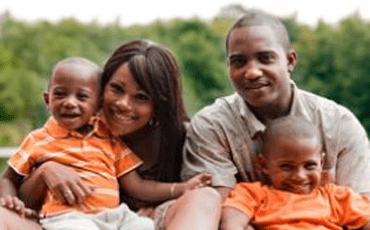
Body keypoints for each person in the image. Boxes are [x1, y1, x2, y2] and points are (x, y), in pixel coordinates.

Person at [174, 9, 370, 230]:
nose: (252, 72)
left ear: (290, 61)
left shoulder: (339, 124)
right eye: (239, 62)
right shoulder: (211, 127)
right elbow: (218, 213)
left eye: (265, 58)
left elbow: (361, 212)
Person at [0, 51, 211, 230]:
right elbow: (9, 178)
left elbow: (137, 186)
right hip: (68, 218)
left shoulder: (107, 140)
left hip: (112, 216)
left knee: (141, 226)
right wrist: (11, 200)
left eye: (81, 97)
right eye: (60, 94)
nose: (70, 103)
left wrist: (181, 189)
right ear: (47, 100)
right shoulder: (39, 140)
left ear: (96, 103)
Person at [220, 117, 370, 230]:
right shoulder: (254, 194)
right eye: (286, 167)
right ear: (264, 165)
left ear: (321, 163)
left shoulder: (334, 197)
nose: (300, 176)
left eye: (310, 165)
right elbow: (232, 221)